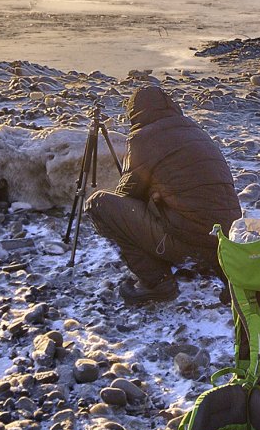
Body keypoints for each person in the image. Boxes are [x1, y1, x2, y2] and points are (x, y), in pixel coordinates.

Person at [87, 83, 243, 304]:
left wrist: (150, 194)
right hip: (226, 243)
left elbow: (126, 195)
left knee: (99, 204)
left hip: (191, 242)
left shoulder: (143, 138)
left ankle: (156, 282)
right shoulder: (196, 131)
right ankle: (217, 269)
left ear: (135, 113)